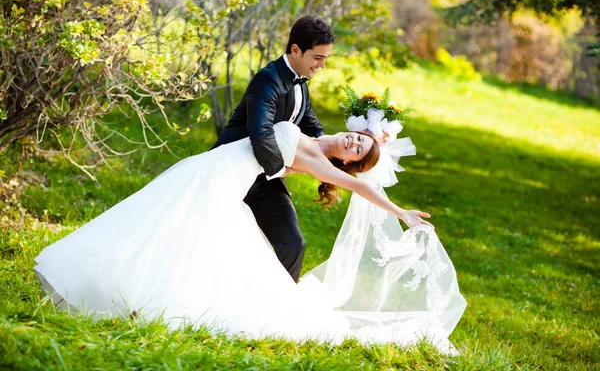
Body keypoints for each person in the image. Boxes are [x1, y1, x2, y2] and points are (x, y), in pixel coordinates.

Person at [34, 121, 466, 353]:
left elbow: (361, 187)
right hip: (207, 168)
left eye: (357, 152)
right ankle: (104, 276)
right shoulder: (310, 130)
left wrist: (400, 211)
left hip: (222, 181)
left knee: (179, 234)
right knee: (153, 221)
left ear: (347, 162)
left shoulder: (320, 162)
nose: (354, 143)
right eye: (359, 139)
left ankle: (130, 293)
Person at [211, 16, 334, 282]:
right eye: (318, 57)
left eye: (325, 58)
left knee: (292, 243)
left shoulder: (301, 82)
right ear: (295, 50)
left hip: (264, 177)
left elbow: (312, 126)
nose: (322, 65)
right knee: (213, 241)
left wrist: (349, 146)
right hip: (231, 171)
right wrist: (287, 170)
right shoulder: (267, 80)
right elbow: (261, 133)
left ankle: (277, 309)